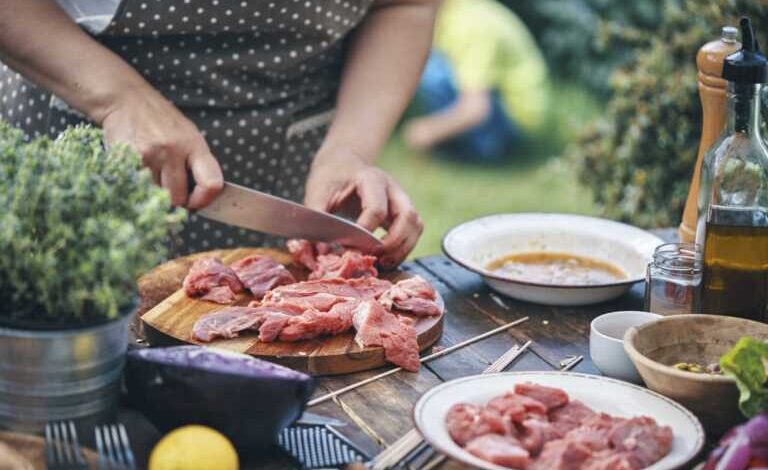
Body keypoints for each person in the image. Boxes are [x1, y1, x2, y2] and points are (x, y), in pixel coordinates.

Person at [0, 0, 437, 268]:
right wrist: (118, 99)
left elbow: (403, 5)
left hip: (287, 170)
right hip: (77, 142)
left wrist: (350, 149)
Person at [402, 0, 548, 163]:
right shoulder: (453, 11)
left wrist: (427, 131)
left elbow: (477, 109)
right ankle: (456, 145)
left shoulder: (470, 27)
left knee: (430, 68)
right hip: (500, 109)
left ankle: (480, 148)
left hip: (514, 123)